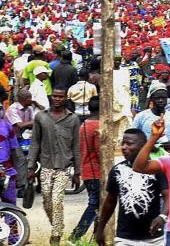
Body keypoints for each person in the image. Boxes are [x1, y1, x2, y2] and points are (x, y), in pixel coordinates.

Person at [27, 87, 81, 246]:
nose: (58, 99)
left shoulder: (73, 119)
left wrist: (77, 172)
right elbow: (35, 143)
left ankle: (56, 235)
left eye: (61, 96)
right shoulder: (40, 117)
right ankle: (58, 224)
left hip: (64, 168)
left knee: (57, 200)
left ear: (66, 98)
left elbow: (76, 146)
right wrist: (30, 167)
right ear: (51, 97)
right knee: (46, 200)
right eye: (55, 96)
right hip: (46, 166)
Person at [95, 129, 169, 246]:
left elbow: (169, 196)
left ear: (143, 146)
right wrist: (100, 229)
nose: (124, 147)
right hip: (124, 239)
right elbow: (110, 202)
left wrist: (162, 216)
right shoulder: (117, 170)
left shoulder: (156, 169)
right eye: (123, 143)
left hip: (153, 239)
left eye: (129, 144)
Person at [69, 96, 101, 242]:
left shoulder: (84, 124)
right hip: (96, 171)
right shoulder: (97, 126)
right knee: (95, 204)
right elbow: (100, 151)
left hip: (87, 169)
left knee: (98, 205)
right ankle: (76, 236)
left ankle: (96, 237)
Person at [133, 84, 170, 156]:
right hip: (145, 157)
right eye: (157, 98)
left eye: (163, 98)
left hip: (167, 159)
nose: (161, 100)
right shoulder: (141, 116)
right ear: (151, 99)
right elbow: (133, 138)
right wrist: (148, 146)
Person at [6, 89, 34, 191]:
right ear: (23, 99)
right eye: (29, 98)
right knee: (21, 159)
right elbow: (19, 125)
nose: (31, 100)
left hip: (25, 137)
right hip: (12, 139)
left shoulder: (29, 109)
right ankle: (22, 185)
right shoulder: (12, 109)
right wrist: (32, 122)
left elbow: (30, 124)